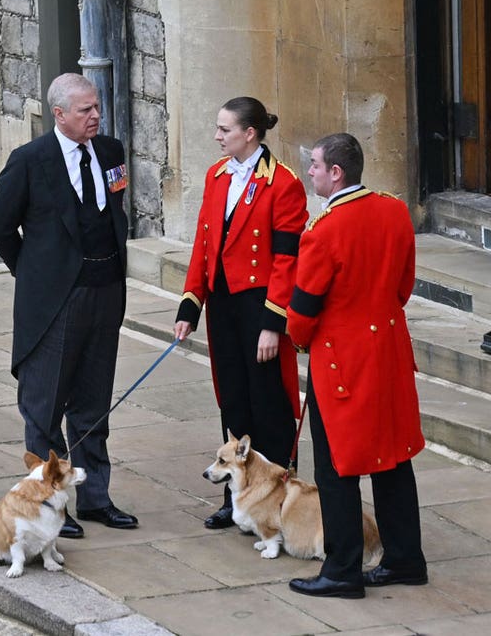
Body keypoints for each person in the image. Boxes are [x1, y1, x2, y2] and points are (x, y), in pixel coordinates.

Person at [0, 72, 138, 539]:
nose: (95, 116)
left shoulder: (110, 153)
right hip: (54, 303)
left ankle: (95, 498)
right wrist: (36, 277)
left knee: (93, 404)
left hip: (104, 293)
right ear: (58, 114)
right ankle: (51, 505)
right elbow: (0, 228)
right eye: (84, 110)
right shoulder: (30, 161)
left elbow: (115, 212)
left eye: (96, 108)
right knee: (45, 406)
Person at [286, 132, 428, 599]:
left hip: (342, 363)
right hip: (387, 353)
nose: (309, 171)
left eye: (315, 165)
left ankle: (342, 569)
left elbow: (302, 316)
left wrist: (302, 339)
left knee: (336, 469)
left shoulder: (323, 231)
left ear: (337, 173)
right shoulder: (394, 210)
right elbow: (403, 286)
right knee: (393, 459)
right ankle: (405, 558)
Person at [173, 97, 307, 530]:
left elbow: (288, 259)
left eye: (225, 130)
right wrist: (190, 303)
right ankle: (238, 498)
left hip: (260, 305)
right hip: (225, 305)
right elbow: (204, 245)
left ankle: (281, 497)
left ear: (249, 133)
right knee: (232, 400)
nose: (217, 136)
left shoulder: (283, 183)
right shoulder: (216, 176)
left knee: (267, 403)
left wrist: (273, 324)